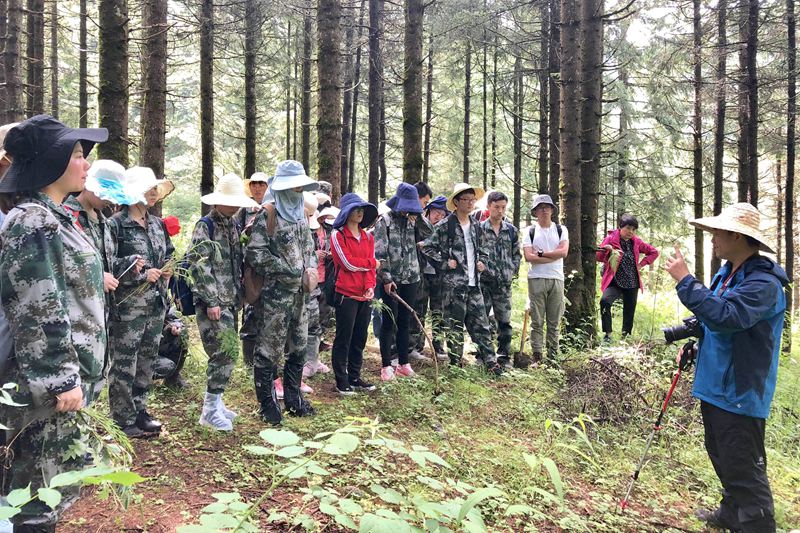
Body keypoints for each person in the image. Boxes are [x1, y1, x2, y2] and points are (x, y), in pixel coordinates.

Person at [0, 114, 108, 530]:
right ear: (52, 160)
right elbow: (36, 306)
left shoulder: (57, 216)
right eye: (78, 154)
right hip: (46, 389)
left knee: (54, 488)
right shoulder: (33, 220)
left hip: (65, 382)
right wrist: (59, 377)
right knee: (36, 497)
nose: (86, 163)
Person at [665, 203, 786, 533]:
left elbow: (728, 317)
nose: (713, 238)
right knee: (722, 454)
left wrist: (686, 281)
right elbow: (713, 319)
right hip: (716, 384)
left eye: (717, 232)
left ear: (737, 236)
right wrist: (696, 344)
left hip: (740, 390)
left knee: (743, 466)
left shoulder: (764, 284)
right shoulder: (728, 272)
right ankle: (732, 513)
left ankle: (760, 526)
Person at [246, 160, 318, 425]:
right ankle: (267, 404)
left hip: (301, 295)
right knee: (269, 349)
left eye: (300, 186)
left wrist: (310, 269)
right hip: (275, 295)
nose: (298, 190)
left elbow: (309, 248)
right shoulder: (268, 214)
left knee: (299, 347)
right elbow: (256, 254)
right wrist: (286, 270)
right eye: (295, 186)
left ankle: (293, 398)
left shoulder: (301, 214)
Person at [108, 166, 175, 438]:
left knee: (147, 359)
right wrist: (138, 272)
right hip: (128, 308)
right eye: (148, 188)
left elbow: (169, 252)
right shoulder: (116, 225)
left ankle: (139, 410)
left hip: (156, 304)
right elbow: (106, 264)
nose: (153, 193)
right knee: (125, 362)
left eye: (155, 189)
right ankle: (122, 418)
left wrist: (168, 267)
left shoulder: (157, 224)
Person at [190, 173, 257, 430]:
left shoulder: (233, 225)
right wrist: (211, 300)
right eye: (231, 202)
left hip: (230, 300)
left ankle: (216, 402)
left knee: (228, 352)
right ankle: (208, 410)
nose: (235, 206)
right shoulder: (205, 226)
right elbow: (199, 265)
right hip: (214, 302)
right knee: (223, 352)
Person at [421, 184, 501, 375]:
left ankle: (491, 362)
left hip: (474, 285)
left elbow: (485, 248)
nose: (471, 203)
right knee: (454, 326)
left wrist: (482, 262)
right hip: (453, 287)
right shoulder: (445, 226)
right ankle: (456, 364)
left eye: (473, 200)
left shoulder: (476, 226)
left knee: (481, 324)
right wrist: (444, 263)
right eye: (466, 200)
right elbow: (427, 248)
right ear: (456, 202)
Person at [329, 193, 379, 394]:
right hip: (346, 294)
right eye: (355, 209)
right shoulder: (338, 235)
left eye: (362, 210)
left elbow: (371, 270)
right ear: (346, 212)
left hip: (364, 295)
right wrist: (371, 264)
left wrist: (370, 286)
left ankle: (355, 377)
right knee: (344, 338)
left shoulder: (368, 237)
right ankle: (341, 380)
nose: (359, 213)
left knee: (360, 338)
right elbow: (347, 263)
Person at [374, 183, 424, 381]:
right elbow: (380, 252)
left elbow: (431, 233)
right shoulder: (384, 221)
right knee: (389, 321)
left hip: (412, 278)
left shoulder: (413, 221)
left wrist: (418, 215)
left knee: (405, 321)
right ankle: (386, 365)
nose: (406, 210)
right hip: (391, 279)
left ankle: (404, 363)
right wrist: (386, 277)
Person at [596, 214, 659, 340]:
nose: (631, 232)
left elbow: (654, 252)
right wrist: (607, 250)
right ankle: (608, 334)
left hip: (632, 282)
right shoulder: (610, 239)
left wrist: (641, 264)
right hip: (615, 281)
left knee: (629, 311)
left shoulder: (636, 242)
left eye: (633, 229)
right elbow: (598, 257)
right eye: (628, 228)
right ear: (620, 227)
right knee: (605, 301)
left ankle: (625, 338)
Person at [522, 194, 568, 363]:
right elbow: (528, 256)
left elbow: (563, 252)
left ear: (552, 210)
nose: (544, 210)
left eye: (547, 207)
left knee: (554, 321)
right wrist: (553, 256)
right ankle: (537, 356)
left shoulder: (561, 229)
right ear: (535, 212)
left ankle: (553, 357)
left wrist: (540, 254)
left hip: (557, 278)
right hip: (536, 278)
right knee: (537, 320)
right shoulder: (529, 231)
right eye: (540, 208)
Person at [478, 191, 521, 368]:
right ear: (488, 206)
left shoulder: (511, 230)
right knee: (482, 320)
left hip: (503, 284)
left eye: (503, 207)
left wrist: (511, 270)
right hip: (484, 282)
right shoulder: (479, 229)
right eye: (496, 207)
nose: (500, 211)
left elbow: (516, 254)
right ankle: (483, 355)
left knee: (504, 321)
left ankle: (503, 356)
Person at [410, 195, 449, 361]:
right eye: (436, 212)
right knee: (419, 309)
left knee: (438, 310)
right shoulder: (419, 227)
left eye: (442, 214)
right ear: (428, 212)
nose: (439, 216)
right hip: (421, 274)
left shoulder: (446, 230)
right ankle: (415, 346)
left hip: (439, 275)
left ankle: (438, 347)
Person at [152, 306, 189, 388]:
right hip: (130, 353)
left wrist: (176, 325)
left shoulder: (157, 298)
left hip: (151, 347)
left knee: (182, 334)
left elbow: (171, 315)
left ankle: (173, 379)